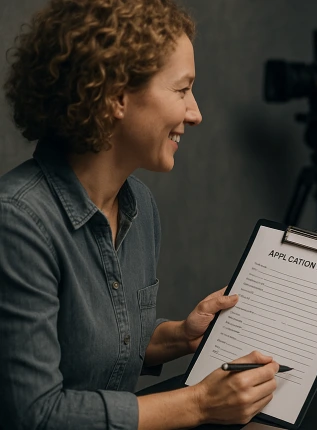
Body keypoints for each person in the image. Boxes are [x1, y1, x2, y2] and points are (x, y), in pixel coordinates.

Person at [0, 0, 280, 428]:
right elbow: (36, 415)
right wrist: (199, 403)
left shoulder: (140, 206)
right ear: (114, 96)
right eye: (182, 89)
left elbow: (95, 345)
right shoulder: (17, 222)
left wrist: (179, 336)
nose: (195, 113)